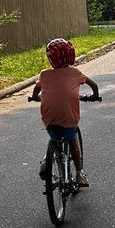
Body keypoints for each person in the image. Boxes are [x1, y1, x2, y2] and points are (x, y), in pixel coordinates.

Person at [30, 38, 99, 187]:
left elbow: (36, 89)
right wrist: (94, 95)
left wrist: (35, 97)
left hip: (49, 118)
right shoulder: (74, 72)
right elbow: (93, 85)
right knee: (73, 142)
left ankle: (46, 160)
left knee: (54, 137)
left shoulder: (44, 74)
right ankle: (79, 174)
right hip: (68, 118)